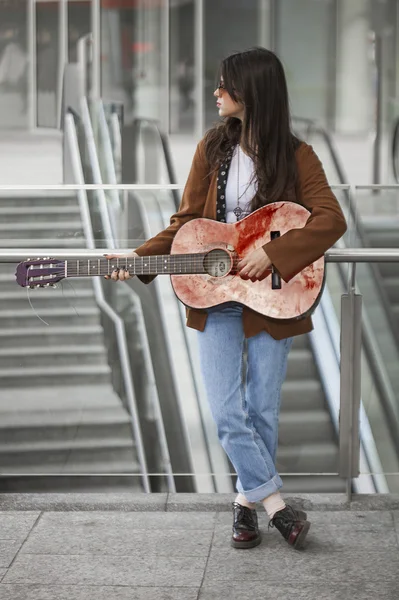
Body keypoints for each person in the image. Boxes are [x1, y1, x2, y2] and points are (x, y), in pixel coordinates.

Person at [106, 47, 347, 551]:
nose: (215, 92)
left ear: (250, 92)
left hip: (272, 298)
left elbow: (330, 219)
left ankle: (243, 509)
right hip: (215, 296)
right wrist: (138, 258)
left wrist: (275, 252)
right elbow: (185, 223)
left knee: (262, 409)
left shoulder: (298, 155)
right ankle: (277, 507)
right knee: (225, 411)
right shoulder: (211, 149)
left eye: (224, 85)